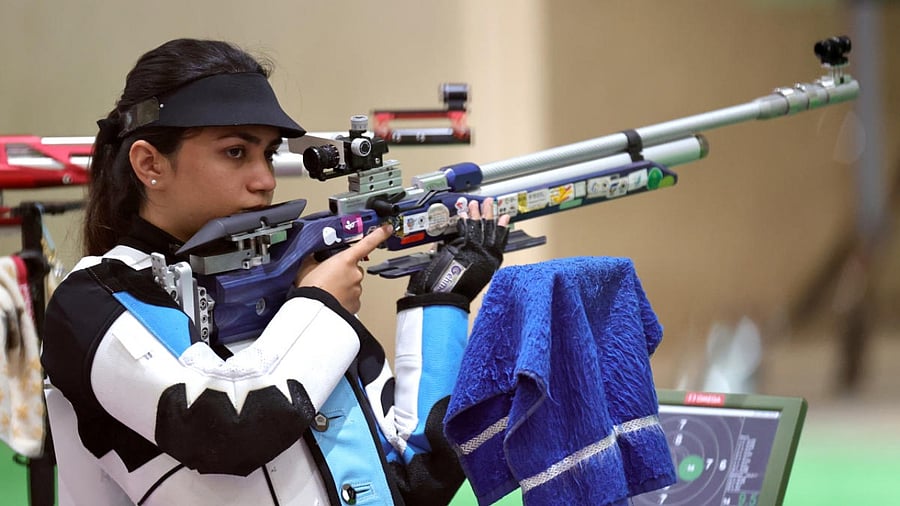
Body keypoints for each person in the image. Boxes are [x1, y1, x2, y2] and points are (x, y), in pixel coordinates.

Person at [41, 38, 509, 506]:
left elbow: (420, 479)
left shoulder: (289, 297)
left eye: (268, 154)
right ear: (150, 164)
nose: (265, 179)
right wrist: (321, 306)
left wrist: (440, 298)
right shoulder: (92, 302)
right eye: (235, 152)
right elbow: (224, 427)